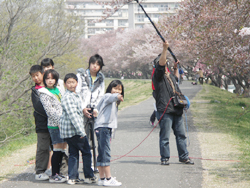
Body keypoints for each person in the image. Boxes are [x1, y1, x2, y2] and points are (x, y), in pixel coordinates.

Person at [152, 41, 194, 165]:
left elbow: (176, 79)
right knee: (165, 137)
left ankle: (184, 156)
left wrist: (176, 68)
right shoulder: (157, 76)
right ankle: (165, 158)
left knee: (181, 135)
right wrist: (165, 48)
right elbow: (161, 64)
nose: (165, 65)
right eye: (163, 63)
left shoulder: (169, 76)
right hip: (165, 110)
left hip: (176, 109)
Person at [60, 73, 97, 185]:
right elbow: (73, 116)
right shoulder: (68, 97)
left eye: (73, 82)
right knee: (86, 152)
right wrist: (81, 131)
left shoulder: (74, 95)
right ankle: (89, 176)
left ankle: (73, 177)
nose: (71, 84)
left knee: (74, 153)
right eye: (69, 82)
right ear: (65, 84)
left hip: (70, 131)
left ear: (77, 83)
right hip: (74, 131)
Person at [38, 69, 67, 183]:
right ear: (44, 80)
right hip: (55, 125)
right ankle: (54, 175)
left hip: (63, 123)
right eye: (47, 78)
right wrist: (60, 122)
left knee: (62, 150)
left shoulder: (58, 89)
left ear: (56, 79)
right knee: (57, 149)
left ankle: (58, 173)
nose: (50, 81)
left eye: (52, 78)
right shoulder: (44, 92)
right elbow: (50, 111)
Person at [94, 80, 124, 186]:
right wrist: (117, 97)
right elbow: (112, 97)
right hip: (103, 128)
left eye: (119, 89)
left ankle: (101, 178)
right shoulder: (107, 96)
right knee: (105, 153)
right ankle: (108, 178)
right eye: (115, 88)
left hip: (103, 128)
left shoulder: (112, 102)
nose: (117, 91)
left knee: (102, 153)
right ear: (110, 89)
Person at [29, 65, 50, 181]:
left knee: (58, 147)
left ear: (43, 74)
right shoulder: (35, 91)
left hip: (55, 123)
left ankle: (59, 171)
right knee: (42, 148)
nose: (36, 78)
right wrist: (53, 113)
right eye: (33, 76)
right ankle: (40, 171)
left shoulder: (50, 87)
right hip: (42, 124)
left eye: (37, 75)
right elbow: (39, 107)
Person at [76, 54, 105, 121]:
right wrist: (83, 108)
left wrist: (96, 109)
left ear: (100, 67)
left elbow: (101, 95)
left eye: (98, 64)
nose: (95, 66)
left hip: (94, 111)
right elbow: (77, 92)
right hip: (81, 109)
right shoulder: (81, 76)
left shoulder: (101, 79)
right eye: (93, 63)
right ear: (89, 64)